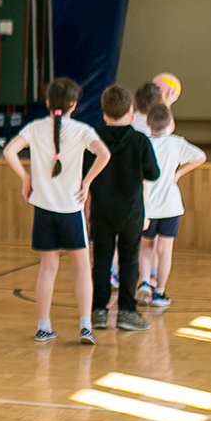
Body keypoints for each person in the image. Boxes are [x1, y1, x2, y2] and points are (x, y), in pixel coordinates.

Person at [2, 78, 109, 345]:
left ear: (48, 103)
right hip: (71, 208)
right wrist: (87, 182)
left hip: (44, 209)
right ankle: (85, 326)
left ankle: (43, 326)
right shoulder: (82, 130)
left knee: (47, 268)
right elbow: (104, 155)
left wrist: (25, 178)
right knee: (82, 267)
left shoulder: (35, 128)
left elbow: (9, 151)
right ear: (74, 104)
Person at [86, 85, 160, 333]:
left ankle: (98, 311)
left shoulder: (93, 139)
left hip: (102, 211)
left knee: (102, 260)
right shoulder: (139, 140)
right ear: (131, 111)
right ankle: (128, 312)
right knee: (129, 260)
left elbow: (84, 172)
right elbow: (153, 173)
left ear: (104, 113)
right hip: (131, 213)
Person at [141, 103, 206, 310]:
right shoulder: (176, 143)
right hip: (170, 207)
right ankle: (159, 292)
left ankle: (143, 281)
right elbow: (201, 156)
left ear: (147, 122)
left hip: (147, 207)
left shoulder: (143, 143)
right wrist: (178, 173)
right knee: (164, 250)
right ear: (170, 124)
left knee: (146, 247)